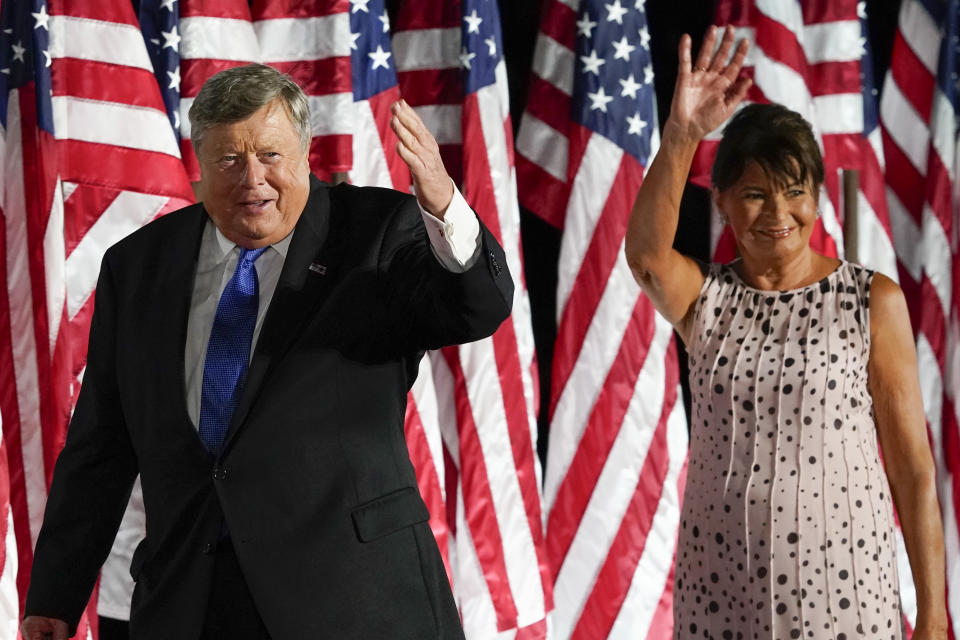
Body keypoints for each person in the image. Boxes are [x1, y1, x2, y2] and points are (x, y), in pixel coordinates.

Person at [21, 63, 513, 640]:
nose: (253, 179)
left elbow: (474, 308)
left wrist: (446, 208)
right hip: (191, 603)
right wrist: (56, 593)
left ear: (305, 155)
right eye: (230, 159)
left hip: (352, 603)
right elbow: (101, 444)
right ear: (199, 168)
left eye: (271, 156)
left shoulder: (377, 234)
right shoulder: (138, 266)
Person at [625, 26, 948, 640]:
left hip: (846, 592)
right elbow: (644, 258)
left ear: (820, 199)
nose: (778, 214)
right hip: (721, 589)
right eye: (755, 194)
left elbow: (912, 468)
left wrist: (932, 615)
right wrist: (682, 136)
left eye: (795, 192)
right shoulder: (705, 297)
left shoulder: (870, 301)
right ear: (720, 202)